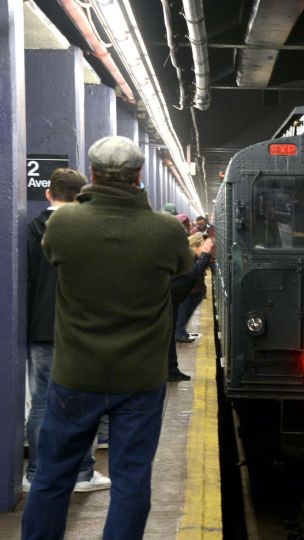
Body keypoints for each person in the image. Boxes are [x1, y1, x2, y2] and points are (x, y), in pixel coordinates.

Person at [21, 136, 191, 540]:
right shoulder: (165, 231)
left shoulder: (65, 223)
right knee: (131, 480)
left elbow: (51, 254)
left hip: (76, 374)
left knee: (53, 476)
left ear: (92, 175)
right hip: (140, 381)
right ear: (139, 176)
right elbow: (183, 269)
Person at [25, 168, 111, 494]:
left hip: (39, 330)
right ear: (81, 195)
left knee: (43, 403)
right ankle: (82, 473)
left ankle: (34, 474)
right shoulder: (89, 231)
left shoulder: (29, 230)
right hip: (78, 331)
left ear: (48, 194)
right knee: (81, 402)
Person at [168, 233, 214, 379]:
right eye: (204, 246)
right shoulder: (183, 256)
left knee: (169, 336)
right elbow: (190, 275)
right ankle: (170, 370)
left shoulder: (182, 254)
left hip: (170, 300)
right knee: (167, 336)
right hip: (167, 300)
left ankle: (171, 370)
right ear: (195, 245)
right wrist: (205, 256)